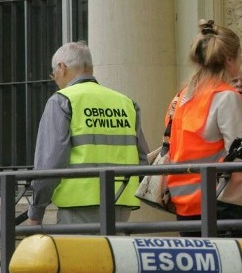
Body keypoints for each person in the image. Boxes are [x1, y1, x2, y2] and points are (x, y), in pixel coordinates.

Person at [25, 41, 149, 226]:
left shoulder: (62, 101)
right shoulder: (126, 102)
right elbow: (143, 159)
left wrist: (36, 210)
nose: (55, 79)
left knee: (78, 255)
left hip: (78, 204)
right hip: (121, 204)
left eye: (54, 74)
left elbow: (50, 162)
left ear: (62, 67)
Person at [167, 19, 242, 237]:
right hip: (217, 205)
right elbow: (240, 155)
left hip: (183, 203)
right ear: (229, 59)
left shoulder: (182, 96)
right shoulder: (226, 97)